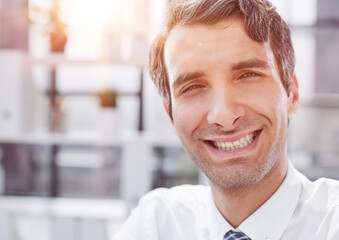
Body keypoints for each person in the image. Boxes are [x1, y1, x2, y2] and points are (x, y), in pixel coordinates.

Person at [114, 0, 339, 239]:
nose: (224, 115)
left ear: (291, 93)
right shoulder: (156, 224)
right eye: (193, 87)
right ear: (170, 115)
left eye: (248, 75)